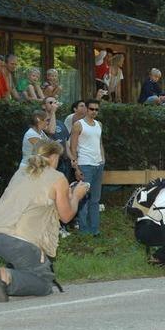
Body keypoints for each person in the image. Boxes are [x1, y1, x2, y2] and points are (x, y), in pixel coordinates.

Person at [0, 140, 89, 302]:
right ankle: (4, 276)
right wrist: (76, 196)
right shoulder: (57, 177)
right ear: (54, 157)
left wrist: (66, 195)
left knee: (28, 270)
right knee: (43, 283)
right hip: (19, 238)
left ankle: (5, 277)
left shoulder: (20, 173)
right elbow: (66, 215)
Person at [70, 99, 105, 236]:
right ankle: (84, 230)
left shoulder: (99, 124)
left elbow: (100, 143)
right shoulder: (78, 125)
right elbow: (72, 147)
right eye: (91, 109)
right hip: (84, 164)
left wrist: (102, 159)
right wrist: (76, 167)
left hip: (98, 165)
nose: (94, 112)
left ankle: (95, 229)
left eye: (96, 109)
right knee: (83, 198)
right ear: (86, 109)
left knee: (95, 199)